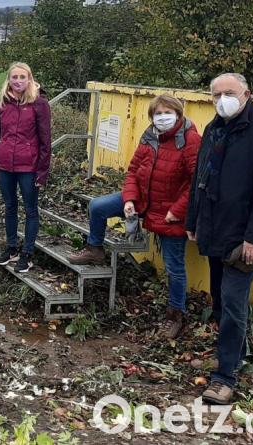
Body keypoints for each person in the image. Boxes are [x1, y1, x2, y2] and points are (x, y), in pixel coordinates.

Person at [186, 73, 253, 404]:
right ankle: (232, 355)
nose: (221, 100)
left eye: (228, 93)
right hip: (215, 230)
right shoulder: (214, 128)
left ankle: (225, 378)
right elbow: (201, 178)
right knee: (220, 300)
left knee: (233, 303)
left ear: (246, 94)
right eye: (215, 95)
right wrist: (193, 220)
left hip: (244, 238)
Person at [67, 94, 201, 338]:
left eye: (167, 113)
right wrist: (129, 199)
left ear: (179, 114)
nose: (162, 118)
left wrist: (177, 211)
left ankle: (175, 314)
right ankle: (95, 248)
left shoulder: (190, 141)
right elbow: (133, 171)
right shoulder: (150, 136)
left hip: (171, 210)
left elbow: (197, 183)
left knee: (174, 266)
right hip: (143, 198)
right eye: (158, 114)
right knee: (98, 207)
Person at [0, 62, 51, 273]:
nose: (18, 81)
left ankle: (28, 253)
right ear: (9, 79)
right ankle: (12, 248)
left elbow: (45, 141)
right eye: (14, 77)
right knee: (10, 206)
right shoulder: (3, 103)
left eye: (22, 77)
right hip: (5, 164)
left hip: (29, 166)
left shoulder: (39, 104)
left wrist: (43, 171)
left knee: (31, 210)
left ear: (29, 79)